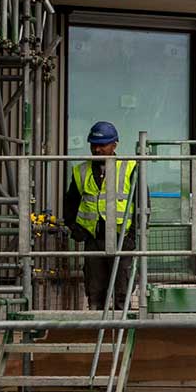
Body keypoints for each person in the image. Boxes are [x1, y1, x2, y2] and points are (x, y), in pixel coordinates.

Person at [62, 120, 139, 310]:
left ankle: (123, 332)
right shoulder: (81, 170)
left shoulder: (129, 168)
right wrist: (74, 227)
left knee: (122, 289)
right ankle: (96, 332)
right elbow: (70, 202)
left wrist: (133, 234)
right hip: (94, 239)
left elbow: (141, 204)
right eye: (93, 145)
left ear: (114, 145)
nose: (97, 150)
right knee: (95, 291)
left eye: (102, 145)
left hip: (122, 238)